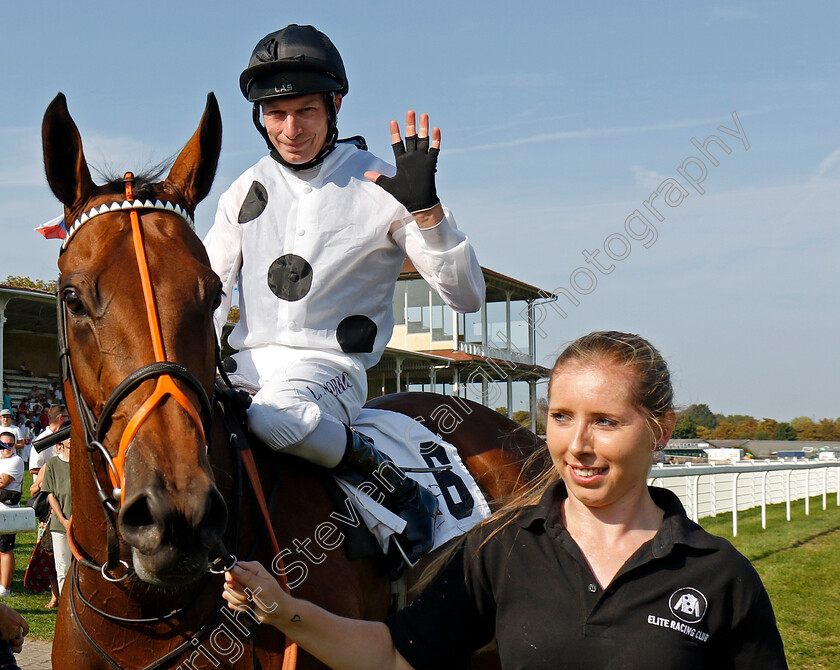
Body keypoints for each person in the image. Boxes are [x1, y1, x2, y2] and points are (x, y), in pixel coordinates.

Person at [223, 331, 788, 669]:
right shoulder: (503, 549)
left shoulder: (720, 577)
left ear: (660, 429)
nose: (578, 446)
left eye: (606, 422)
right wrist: (282, 609)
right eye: (562, 418)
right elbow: (391, 656)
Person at [205, 24, 485, 567]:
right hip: (242, 367)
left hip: (327, 368)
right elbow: (210, 294)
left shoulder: (384, 183)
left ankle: (400, 492)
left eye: (305, 110)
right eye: (276, 113)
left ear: (334, 105)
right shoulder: (242, 189)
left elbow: (467, 296)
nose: (290, 129)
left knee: (273, 419)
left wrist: (427, 211)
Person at [41, 435, 72, 595]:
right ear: (62, 442)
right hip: (60, 525)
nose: (72, 440)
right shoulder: (53, 464)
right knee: (63, 567)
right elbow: (51, 495)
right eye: (69, 437)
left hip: (84, 525)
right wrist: (63, 520)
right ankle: (66, 604)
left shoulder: (85, 463)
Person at [0, 433, 24, 599]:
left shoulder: (16, 461)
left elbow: (3, 482)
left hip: (8, 510)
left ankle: (5, 588)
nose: (7, 447)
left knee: (5, 549)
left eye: (11, 444)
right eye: (4, 444)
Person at [29, 405, 69, 494]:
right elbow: (34, 468)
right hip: (46, 491)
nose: (69, 420)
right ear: (61, 418)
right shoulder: (41, 441)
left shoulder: (67, 438)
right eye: (67, 417)